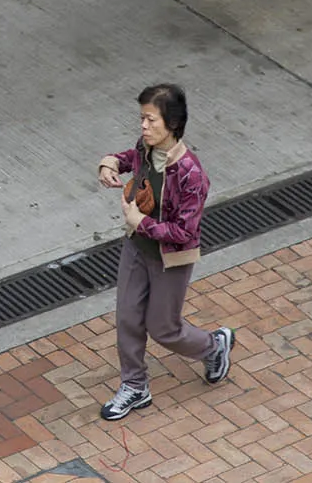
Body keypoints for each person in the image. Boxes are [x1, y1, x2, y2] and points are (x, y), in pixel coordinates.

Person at [94, 82, 234, 418]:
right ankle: (135, 385)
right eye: (142, 119)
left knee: (164, 328)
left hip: (170, 259)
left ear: (172, 124)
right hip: (136, 249)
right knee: (127, 317)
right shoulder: (145, 148)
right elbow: (130, 159)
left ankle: (213, 347)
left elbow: (184, 232)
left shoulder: (192, 175)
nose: (143, 126)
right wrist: (110, 163)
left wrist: (139, 221)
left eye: (150, 120)